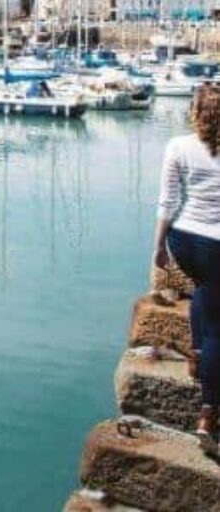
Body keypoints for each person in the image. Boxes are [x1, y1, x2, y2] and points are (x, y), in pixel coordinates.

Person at [154, 82, 220, 453]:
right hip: (216, 245)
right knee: (219, 331)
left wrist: (158, 248)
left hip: (185, 242)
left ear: (195, 114)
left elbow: (167, 201)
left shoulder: (177, 146)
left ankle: (196, 355)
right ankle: (208, 416)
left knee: (205, 292)